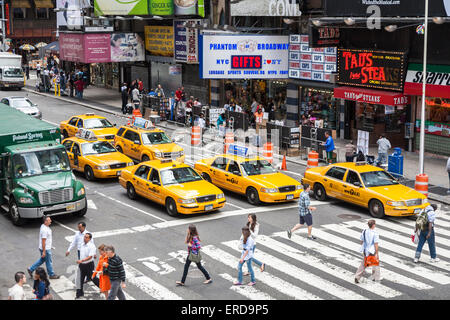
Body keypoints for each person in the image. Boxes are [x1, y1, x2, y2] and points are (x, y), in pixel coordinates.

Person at [28, 216, 60, 280]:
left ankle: (31, 269)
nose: (50, 221)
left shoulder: (43, 226)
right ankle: (51, 274)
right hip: (45, 249)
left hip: (45, 248)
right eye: (49, 220)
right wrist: (44, 251)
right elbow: (43, 241)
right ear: (45, 221)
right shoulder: (44, 230)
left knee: (42, 260)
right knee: (49, 262)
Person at [75, 233, 97, 299]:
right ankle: (79, 294)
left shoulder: (91, 246)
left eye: (86, 237)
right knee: (79, 280)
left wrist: (82, 260)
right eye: (84, 237)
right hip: (82, 265)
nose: (85, 238)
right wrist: (81, 261)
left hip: (89, 265)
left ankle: (103, 287)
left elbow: (90, 257)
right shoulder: (82, 244)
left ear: (90, 239)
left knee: (93, 278)